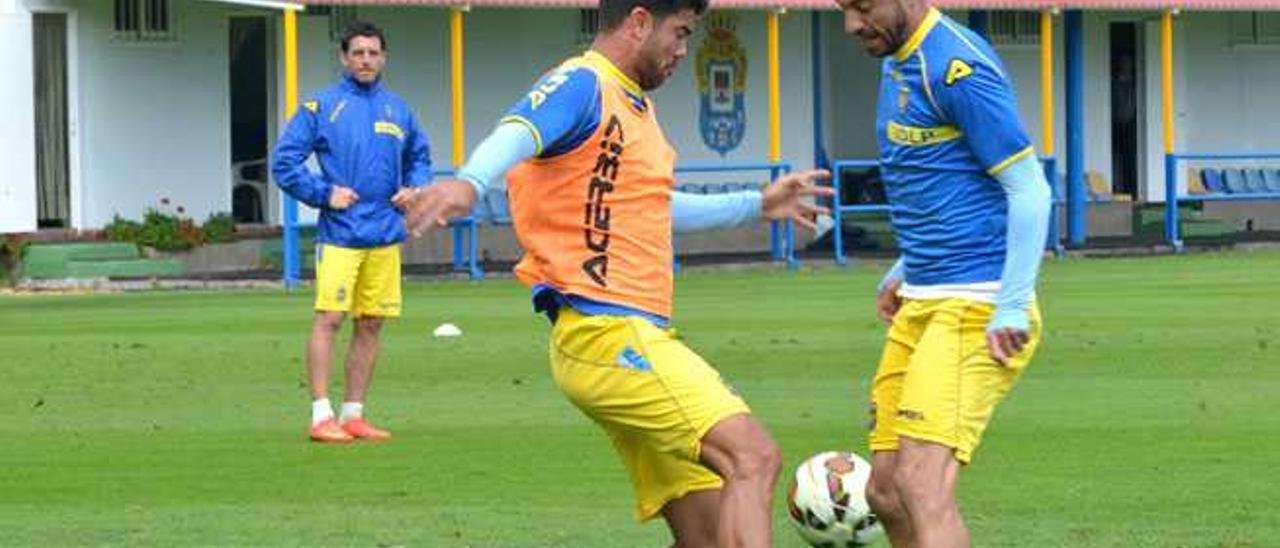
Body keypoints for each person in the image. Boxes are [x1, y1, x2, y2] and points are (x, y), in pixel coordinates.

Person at [403, 0, 832, 544]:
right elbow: (519, 128)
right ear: (637, 22)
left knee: (706, 532)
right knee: (755, 456)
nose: (682, 50)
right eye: (679, 33)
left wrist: (756, 204)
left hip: (621, 338)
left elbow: (653, 206)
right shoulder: (584, 82)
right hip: (607, 333)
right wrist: (469, 181)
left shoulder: (633, 110)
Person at [834, 1, 1053, 546]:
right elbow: (945, 181)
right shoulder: (897, 59)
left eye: (862, 6)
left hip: (976, 302)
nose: (852, 24)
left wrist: (1011, 302)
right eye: (844, 8)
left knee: (921, 484)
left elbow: (1030, 188)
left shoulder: (958, 67)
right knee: (884, 491)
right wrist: (905, 266)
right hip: (924, 298)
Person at [271, 20, 432, 444]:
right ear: (344, 57)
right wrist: (324, 193)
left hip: (385, 234)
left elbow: (419, 156)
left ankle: (354, 414)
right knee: (330, 319)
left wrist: (412, 188)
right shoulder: (321, 107)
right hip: (341, 234)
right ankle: (320, 415)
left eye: (373, 53)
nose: (366, 60)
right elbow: (284, 163)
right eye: (358, 53)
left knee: (372, 323)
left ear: (384, 57)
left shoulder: (399, 109)